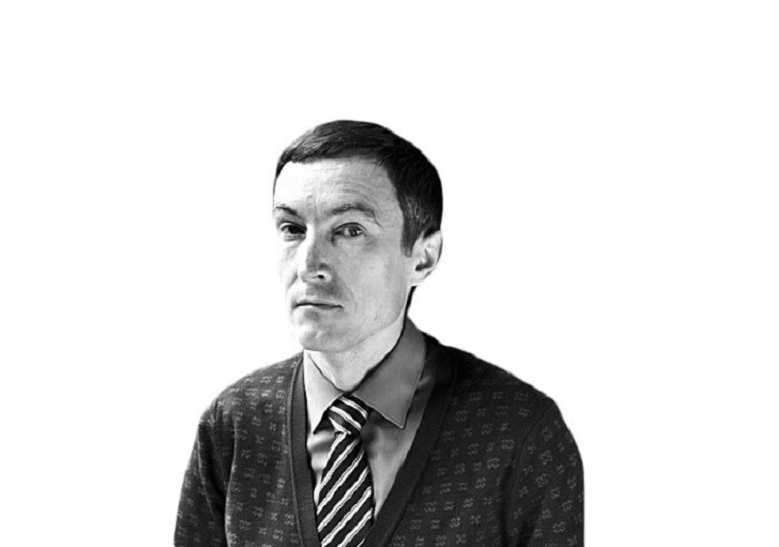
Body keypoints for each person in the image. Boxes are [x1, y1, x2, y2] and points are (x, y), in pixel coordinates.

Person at [175, 120, 584, 546]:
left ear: (423, 258)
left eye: (350, 231)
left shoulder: (520, 432)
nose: (308, 265)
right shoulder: (233, 425)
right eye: (292, 229)